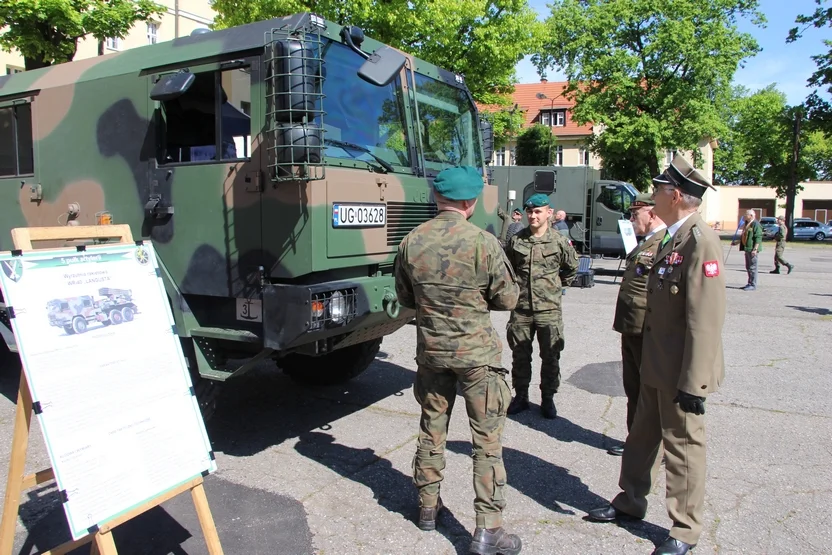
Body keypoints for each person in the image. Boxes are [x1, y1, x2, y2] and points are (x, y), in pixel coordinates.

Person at [586, 154, 726, 555]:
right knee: (641, 437)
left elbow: (706, 318)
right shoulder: (670, 236)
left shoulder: (700, 240)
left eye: (659, 190)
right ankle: (630, 500)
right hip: (655, 363)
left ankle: (684, 529)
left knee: (682, 448)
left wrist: (695, 381)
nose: (652, 196)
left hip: (681, 370)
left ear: (676, 195)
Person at [393, 165, 523, 555]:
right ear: (470, 202)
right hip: (478, 360)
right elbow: (507, 298)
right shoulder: (483, 242)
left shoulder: (411, 242)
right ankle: (488, 529)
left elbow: (404, 298)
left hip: (432, 355)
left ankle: (427, 508)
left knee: (431, 431)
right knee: (486, 443)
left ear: (437, 198)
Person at [504, 193, 579, 419]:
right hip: (522, 309)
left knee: (551, 355)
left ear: (548, 213)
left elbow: (572, 268)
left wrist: (554, 287)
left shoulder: (559, 241)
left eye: (538, 212)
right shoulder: (517, 240)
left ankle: (548, 398)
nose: (532, 216)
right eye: (529, 211)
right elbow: (508, 268)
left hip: (549, 310)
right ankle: (521, 397)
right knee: (520, 354)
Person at [608, 193, 666, 457]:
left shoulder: (665, 243)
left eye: (635, 214)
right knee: (633, 388)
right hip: (632, 327)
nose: (631, 220)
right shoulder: (645, 242)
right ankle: (636, 439)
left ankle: (655, 446)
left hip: (648, 330)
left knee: (649, 391)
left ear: (651, 214)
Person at [733, 209, 762, 290]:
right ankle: (749, 282)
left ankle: (753, 284)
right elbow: (744, 236)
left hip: (752, 249)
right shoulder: (747, 223)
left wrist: (755, 249)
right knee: (748, 267)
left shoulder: (755, 224)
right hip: (747, 248)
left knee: (753, 267)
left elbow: (758, 237)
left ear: (751, 216)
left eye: (746, 215)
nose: (745, 216)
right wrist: (737, 242)